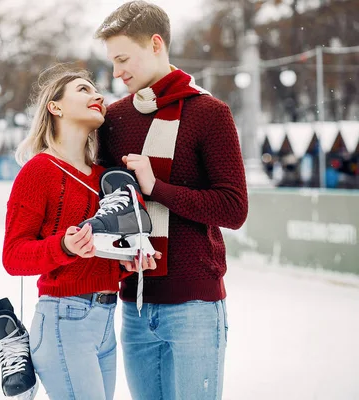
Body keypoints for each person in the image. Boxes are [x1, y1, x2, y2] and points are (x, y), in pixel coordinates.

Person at [94, 2, 249, 399]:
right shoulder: (115, 119)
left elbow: (233, 208)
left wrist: (156, 186)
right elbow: (109, 205)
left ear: (157, 44)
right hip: (135, 303)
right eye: (112, 62)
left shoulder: (210, 114)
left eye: (123, 58)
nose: (117, 72)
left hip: (193, 305)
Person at [2, 66, 134, 400]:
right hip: (64, 321)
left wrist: (127, 260)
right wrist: (63, 246)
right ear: (55, 107)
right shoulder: (39, 171)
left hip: (107, 321)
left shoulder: (107, 177)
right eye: (83, 90)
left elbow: (104, 250)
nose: (97, 97)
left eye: (97, 92)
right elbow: (13, 256)